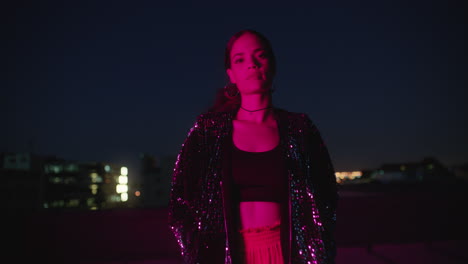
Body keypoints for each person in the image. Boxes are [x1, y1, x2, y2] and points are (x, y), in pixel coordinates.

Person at [168, 29, 338, 264]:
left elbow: (326, 196)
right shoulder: (209, 130)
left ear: (273, 65)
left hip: (289, 255)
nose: (252, 64)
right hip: (229, 256)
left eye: (261, 56)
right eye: (240, 59)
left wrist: (316, 250)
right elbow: (181, 201)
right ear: (231, 74)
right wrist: (200, 252)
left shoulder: (299, 128)